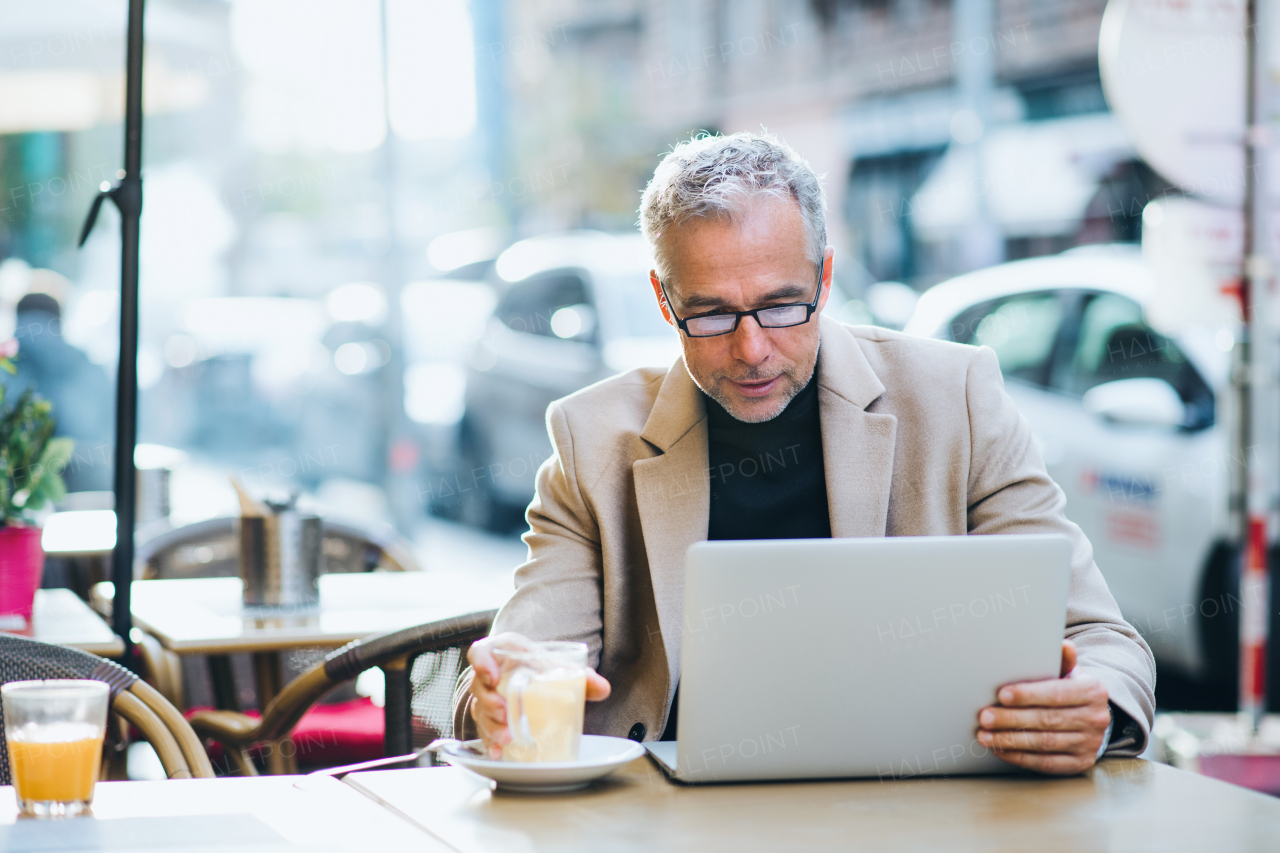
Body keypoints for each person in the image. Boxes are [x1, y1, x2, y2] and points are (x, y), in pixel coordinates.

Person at [454, 132, 1155, 776]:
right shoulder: (593, 438)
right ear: (664, 302)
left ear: (824, 280)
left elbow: (1103, 637)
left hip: (924, 807)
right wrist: (500, 696)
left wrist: (1094, 708)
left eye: (782, 305)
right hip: (668, 821)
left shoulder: (955, 398)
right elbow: (507, 672)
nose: (752, 348)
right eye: (712, 314)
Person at [5, 293, 114, 492]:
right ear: (60, 321)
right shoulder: (87, 366)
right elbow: (108, 434)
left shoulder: (5, 365)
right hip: (85, 489)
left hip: (11, 497)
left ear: (18, 319)